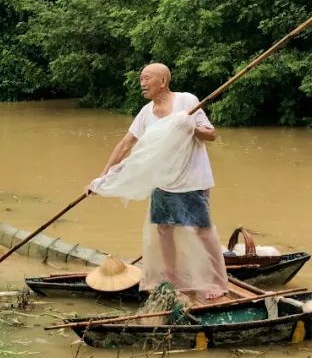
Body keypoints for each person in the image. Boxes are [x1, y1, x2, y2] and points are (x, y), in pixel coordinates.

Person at [98, 63, 228, 300]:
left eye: (147, 78)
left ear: (163, 81)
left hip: (192, 179)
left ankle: (217, 282)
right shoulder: (146, 112)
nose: (142, 83)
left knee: (202, 230)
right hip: (162, 180)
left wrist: (191, 127)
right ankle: (172, 278)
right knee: (164, 229)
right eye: (141, 79)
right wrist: (103, 176)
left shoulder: (187, 102)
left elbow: (211, 134)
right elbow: (125, 144)